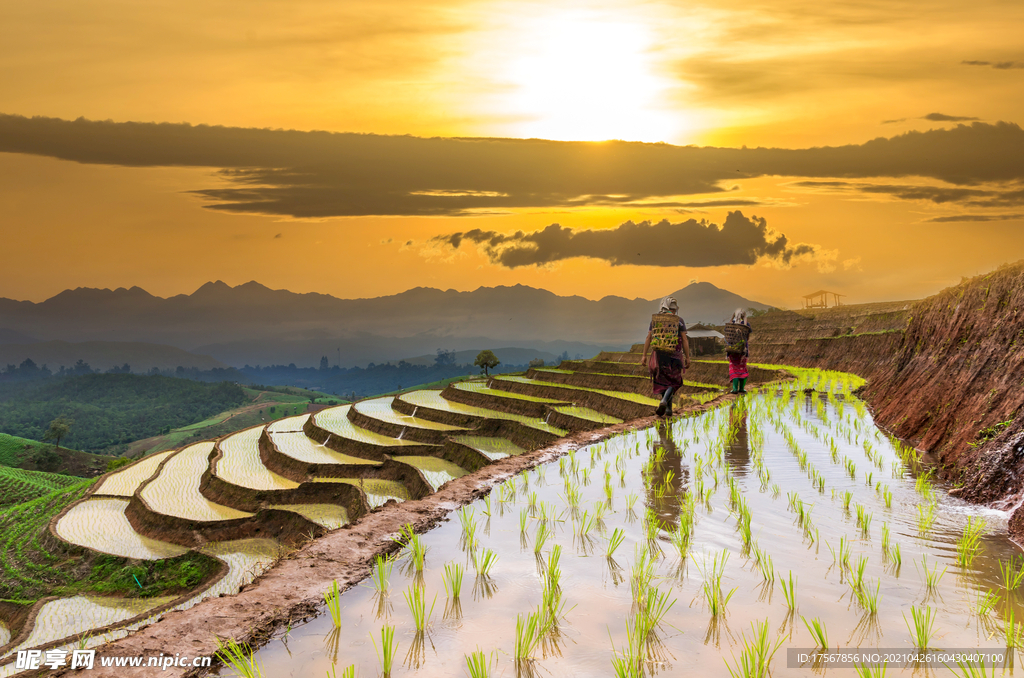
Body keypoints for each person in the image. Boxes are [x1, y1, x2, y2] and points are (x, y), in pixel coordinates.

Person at [640, 296, 690, 417]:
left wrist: (644, 355)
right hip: (675, 354)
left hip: (659, 355)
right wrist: (688, 357)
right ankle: (664, 402)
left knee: (663, 380)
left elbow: (649, 337)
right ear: (674, 309)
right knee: (675, 381)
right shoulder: (679, 320)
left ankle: (668, 410)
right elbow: (684, 339)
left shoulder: (656, 320)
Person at [727, 308, 751, 394]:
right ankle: (741, 388)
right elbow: (747, 337)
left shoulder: (732, 324)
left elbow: (728, 333)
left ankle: (734, 389)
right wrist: (745, 318)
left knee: (734, 370)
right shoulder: (746, 324)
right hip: (743, 351)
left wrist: (733, 316)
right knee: (742, 369)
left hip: (732, 350)